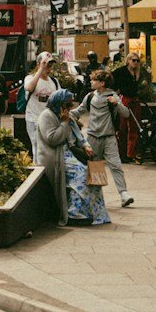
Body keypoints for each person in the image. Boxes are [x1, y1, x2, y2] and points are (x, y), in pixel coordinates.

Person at [35, 89, 109, 227]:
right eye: (68, 105)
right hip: (56, 156)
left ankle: (93, 213)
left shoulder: (66, 116)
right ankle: (73, 213)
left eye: (70, 105)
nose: (70, 108)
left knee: (92, 176)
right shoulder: (47, 116)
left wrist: (85, 145)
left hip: (70, 154)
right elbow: (52, 139)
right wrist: (64, 123)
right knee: (81, 175)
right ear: (59, 104)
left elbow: (78, 135)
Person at [80, 68, 132, 209]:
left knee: (115, 164)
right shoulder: (90, 96)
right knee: (95, 168)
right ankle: (97, 199)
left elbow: (126, 113)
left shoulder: (112, 96)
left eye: (94, 80)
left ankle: (124, 194)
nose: (91, 82)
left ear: (102, 83)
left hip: (109, 137)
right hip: (92, 137)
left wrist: (117, 103)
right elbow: (79, 111)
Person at [109, 53, 146, 161]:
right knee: (123, 127)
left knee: (134, 127)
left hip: (134, 100)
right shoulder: (121, 71)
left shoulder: (137, 73)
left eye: (137, 61)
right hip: (125, 99)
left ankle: (131, 153)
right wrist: (115, 92)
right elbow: (111, 79)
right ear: (128, 60)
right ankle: (123, 153)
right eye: (133, 60)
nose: (136, 63)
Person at [22, 53, 60, 155]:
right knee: (37, 148)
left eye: (50, 65)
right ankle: (39, 169)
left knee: (49, 149)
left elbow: (59, 100)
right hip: (34, 119)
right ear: (38, 64)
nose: (49, 68)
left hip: (49, 121)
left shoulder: (54, 82)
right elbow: (29, 88)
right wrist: (40, 70)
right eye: (46, 65)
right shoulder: (30, 78)